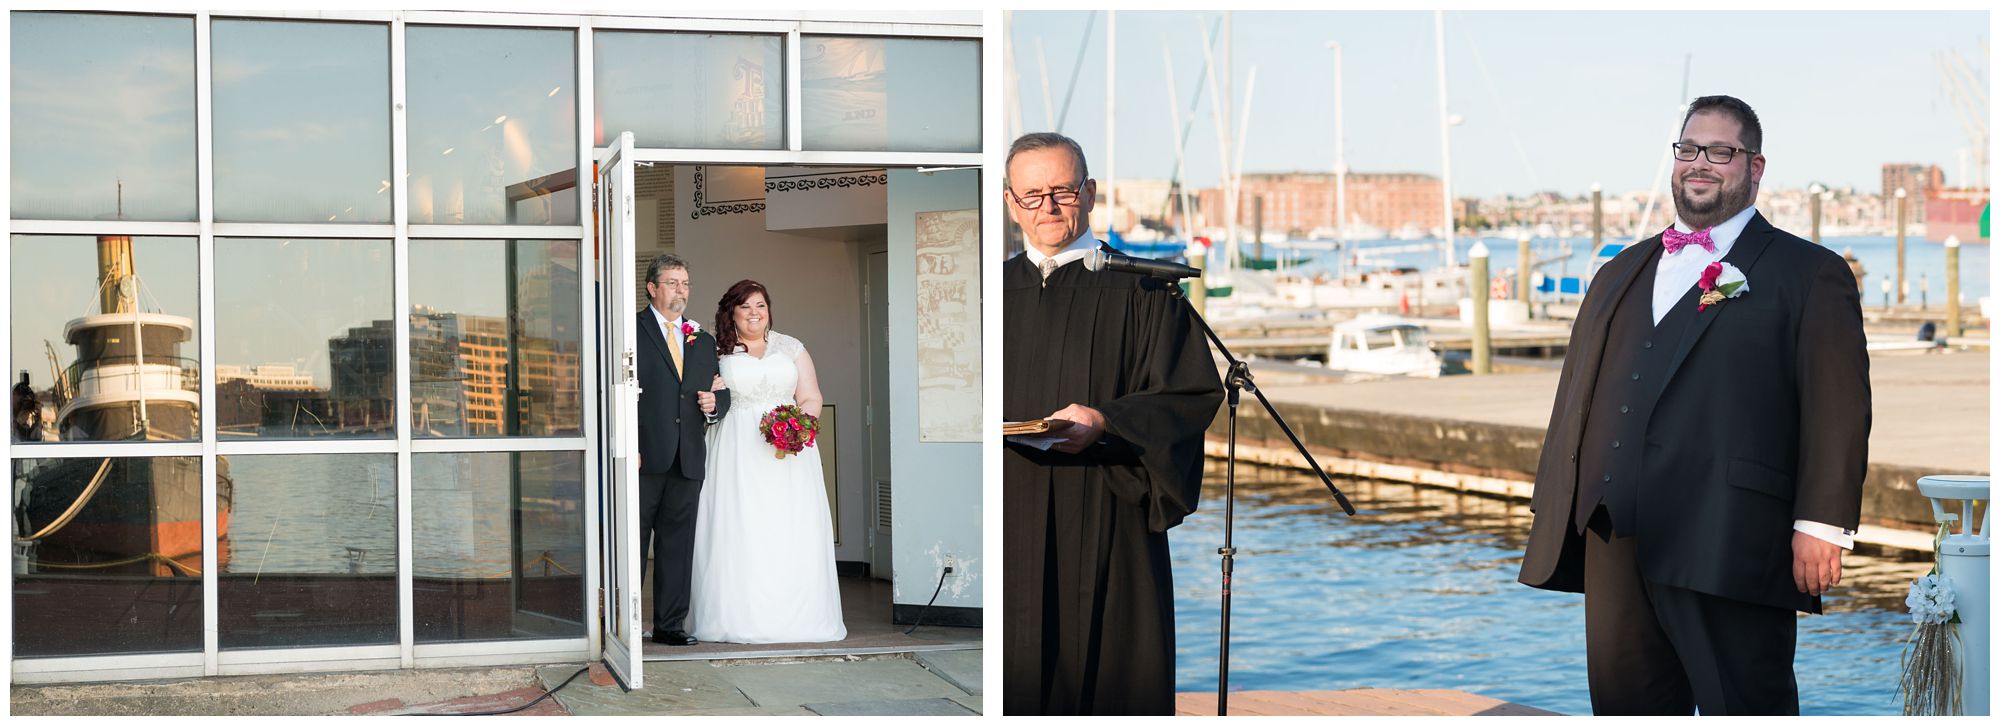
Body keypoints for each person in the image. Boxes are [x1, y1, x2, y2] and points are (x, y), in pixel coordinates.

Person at [1516, 95, 1870, 715]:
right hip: (1612, 534)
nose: (1699, 163)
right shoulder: (1620, 270)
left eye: (1720, 151)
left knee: (1745, 706)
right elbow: (1578, 397)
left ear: (1755, 168)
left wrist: (1820, 524)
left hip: (1731, 536)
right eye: (1687, 149)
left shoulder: (1810, 273)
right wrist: (1558, 503)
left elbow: (1838, 408)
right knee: (1627, 708)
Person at [1001, 131, 1223, 715]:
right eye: (1030, 194)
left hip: (1108, 504)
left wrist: (1106, 421)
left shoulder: (1144, 289)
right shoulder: (990, 293)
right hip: (1010, 504)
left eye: (1062, 190)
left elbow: (1190, 392)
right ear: (1009, 202)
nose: (1047, 207)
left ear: (1090, 193)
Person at [688, 280, 846, 644]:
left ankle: (798, 618)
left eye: (760, 305)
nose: (755, 313)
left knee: (788, 527)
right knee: (739, 526)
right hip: (735, 449)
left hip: (788, 454)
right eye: (745, 307)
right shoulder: (715, 351)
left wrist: (799, 427)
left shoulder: (791, 348)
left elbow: (810, 396)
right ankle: (736, 617)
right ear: (732, 312)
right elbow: (707, 395)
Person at [635, 254, 729, 646]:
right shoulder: (630, 331)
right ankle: (622, 624)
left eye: (686, 283)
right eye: (672, 283)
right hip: (642, 458)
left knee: (677, 546)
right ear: (652, 288)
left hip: (687, 458)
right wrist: (628, 447)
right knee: (632, 544)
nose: (681, 290)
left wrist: (714, 406)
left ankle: (669, 625)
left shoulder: (703, 340)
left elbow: (719, 394)